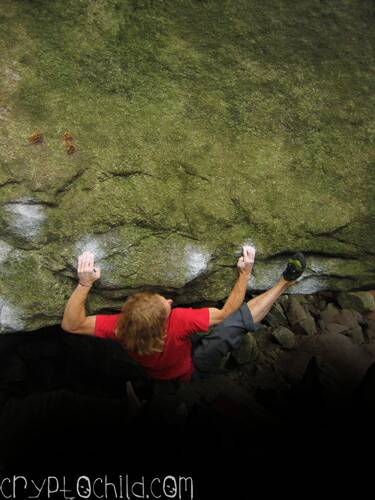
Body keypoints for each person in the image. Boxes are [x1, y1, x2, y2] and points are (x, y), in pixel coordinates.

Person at [61, 248, 306, 381]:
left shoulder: (120, 327)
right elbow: (226, 312)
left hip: (159, 370)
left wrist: (84, 284)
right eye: (166, 306)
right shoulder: (179, 322)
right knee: (234, 324)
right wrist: (244, 274)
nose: (169, 301)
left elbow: (71, 325)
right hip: (191, 366)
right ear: (165, 323)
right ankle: (285, 283)